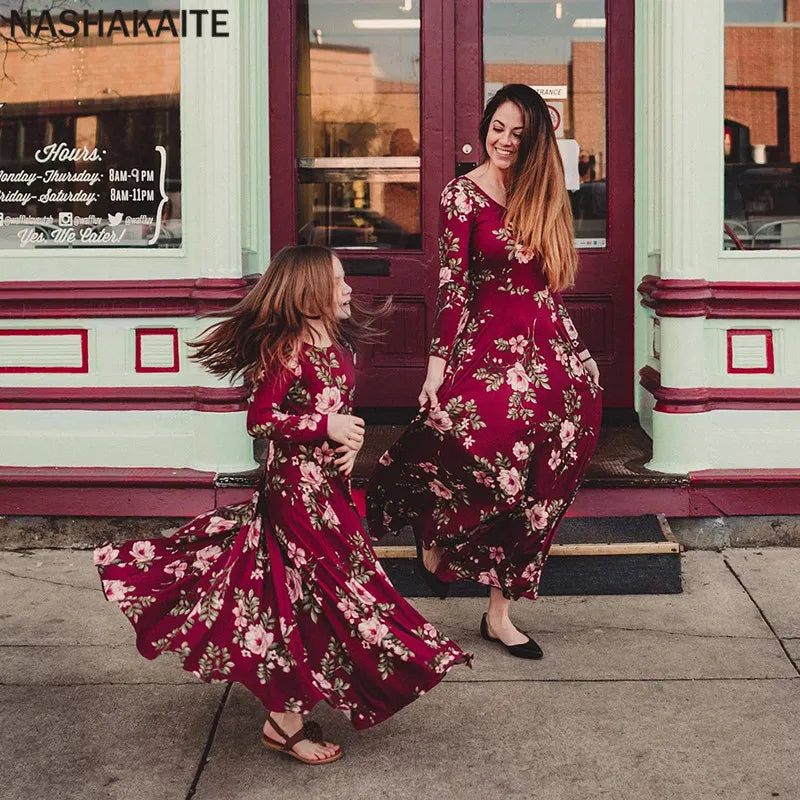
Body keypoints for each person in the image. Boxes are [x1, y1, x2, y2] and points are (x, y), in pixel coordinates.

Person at [94, 245, 470, 765]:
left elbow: (336, 410)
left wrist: (351, 439)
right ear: (311, 292)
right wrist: (324, 427)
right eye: (338, 282)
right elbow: (260, 420)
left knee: (309, 595)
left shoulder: (334, 344)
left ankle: (290, 710)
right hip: (295, 495)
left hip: (328, 492)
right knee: (312, 597)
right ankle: (286, 720)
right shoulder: (288, 349)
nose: (348, 290)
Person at [367, 85, 602, 659]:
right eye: (498, 127)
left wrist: (581, 351)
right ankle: (435, 526)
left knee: (543, 479)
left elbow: (545, 287)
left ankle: (499, 611)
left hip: (548, 353)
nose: (503, 140)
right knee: (481, 455)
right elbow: (451, 285)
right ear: (485, 128)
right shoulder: (461, 196)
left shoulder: (543, 196)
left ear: (533, 142)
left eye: (517, 133)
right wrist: (436, 365)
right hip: (488, 352)